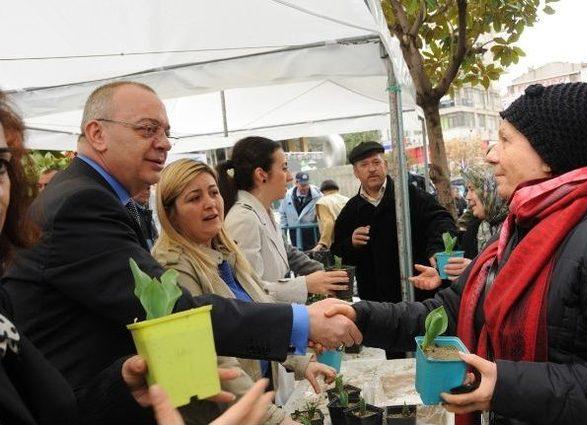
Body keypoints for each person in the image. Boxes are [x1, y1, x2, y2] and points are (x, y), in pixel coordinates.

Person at [2, 82, 361, 424]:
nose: (163, 144)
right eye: (147, 130)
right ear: (97, 134)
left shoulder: (95, 197)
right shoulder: (81, 202)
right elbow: (174, 311)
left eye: (166, 132)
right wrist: (300, 321)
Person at [320, 83, 587, 424]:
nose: (491, 155)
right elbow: (443, 313)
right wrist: (359, 316)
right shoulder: (513, 232)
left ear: (549, 155)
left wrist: (504, 385)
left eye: (505, 139)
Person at [153, 159, 336, 423]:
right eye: (194, 198)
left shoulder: (225, 252)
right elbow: (216, 360)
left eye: (213, 192)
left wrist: (299, 362)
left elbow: (257, 313)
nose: (210, 203)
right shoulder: (172, 269)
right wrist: (272, 418)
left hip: (256, 400)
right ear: (171, 213)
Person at [218, 136, 349, 304]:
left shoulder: (263, 210)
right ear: (261, 175)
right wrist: (306, 285)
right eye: (284, 168)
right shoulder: (244, 219)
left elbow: (287, 251)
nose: (289, 177)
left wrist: (324, 274)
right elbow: (250, 291)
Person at [331, 141, 457, 303]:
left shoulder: (409, 195)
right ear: (356, 172)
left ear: (386, 165)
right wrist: (351, 243)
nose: (372, 169)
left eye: (376, 162)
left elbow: (441, 220)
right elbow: (337, 255)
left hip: (417, 294)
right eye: (364, 165)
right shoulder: (351, 211)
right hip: (375, 302)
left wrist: (437, 249)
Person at [279, 171, 321, 251]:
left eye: (306, 185)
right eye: (302, 185)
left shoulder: (318, 195)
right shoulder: (287, 195)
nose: (305, 188)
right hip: (294, 231)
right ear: (296, 183)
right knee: (298, 255)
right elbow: (283, 214)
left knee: (313, 254)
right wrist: (283, 232)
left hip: (312, 232)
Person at [311, 179, 349, 251]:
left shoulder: (322, 202)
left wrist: (322, 243)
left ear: (322, 191)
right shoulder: (347, 199)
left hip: (337, 242)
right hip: (352, 239)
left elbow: (328, 223)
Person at [133, 185, 159, 249]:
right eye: (141, 188)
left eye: (148, 188)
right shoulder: (131, 213)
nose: (146, 192)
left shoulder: (146, 212)